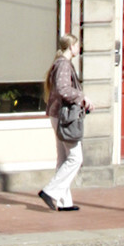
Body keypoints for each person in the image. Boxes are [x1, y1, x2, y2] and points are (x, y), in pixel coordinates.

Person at [39, 33, 89, 212]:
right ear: (71, 47)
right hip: (63, 116)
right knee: (76, 158)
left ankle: (64, 202)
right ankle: (50, 191)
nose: (79, 48)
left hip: (57, 114)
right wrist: (81, 97)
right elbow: (63, 89)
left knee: (63, 158)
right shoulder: (64, 65)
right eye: (77, 45)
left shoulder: (61, 63)